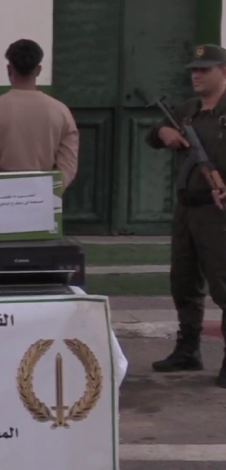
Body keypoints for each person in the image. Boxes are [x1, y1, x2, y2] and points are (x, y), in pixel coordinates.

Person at [145, 44, 226, 388]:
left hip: (217, 212)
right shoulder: (187, 110)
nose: (196, 75)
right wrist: (163, 132)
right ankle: (188, 348)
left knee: (223, 283)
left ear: (223, 71)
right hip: (186, 209)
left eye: (204, 70)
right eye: (194, 69)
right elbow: (153, 135)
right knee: (184, 281)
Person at [0, 39, 79, 189]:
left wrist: (7, 193)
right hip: (45, 197)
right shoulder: (61, 112)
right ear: (39, 70)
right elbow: (68, 167)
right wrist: (44, 192)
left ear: (9, 69)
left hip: (2, 198)